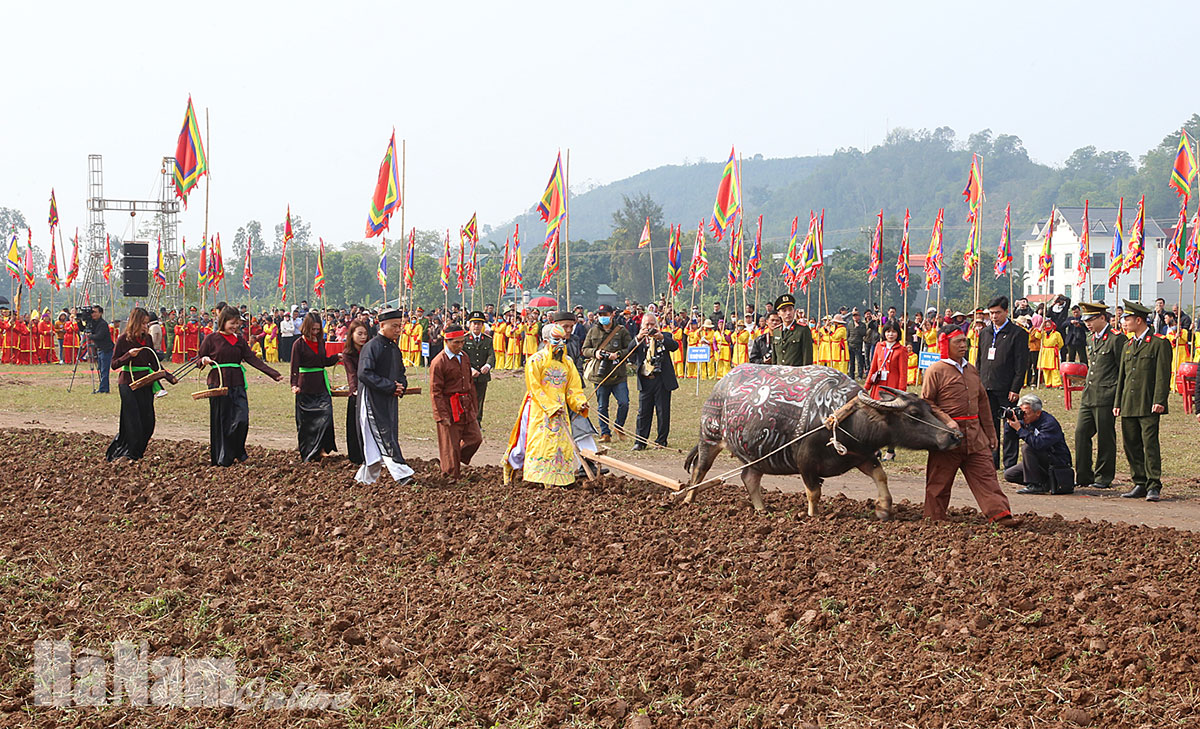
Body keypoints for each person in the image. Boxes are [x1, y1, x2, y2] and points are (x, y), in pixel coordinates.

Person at [921, 325, 1021, 527]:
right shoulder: (935, 371)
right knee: (939, 481)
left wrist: (991, 433)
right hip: (948, 438)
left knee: (987, 476)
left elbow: (983, 402)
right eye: (958, 341)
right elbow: (927, 403)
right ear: (945, 344)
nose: (963, 345)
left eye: (964, 341)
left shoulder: (971, 369)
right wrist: (948, 421)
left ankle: (1001, 515)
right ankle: (934, 520)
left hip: (975, 436)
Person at [502, 323, 590, 487]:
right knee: (529, 443)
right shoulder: (535, 360)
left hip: (561, 409)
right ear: (545, 341)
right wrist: (550, 407)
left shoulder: (568, 362)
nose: (561, 344)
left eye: (563, 340)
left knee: (559, 444)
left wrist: (579, 403)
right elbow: (534, 387)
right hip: (538, 409)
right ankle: (511, 465)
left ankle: (554, 478)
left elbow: (573, 388)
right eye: (556, 340)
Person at [197, 306, 283, 466]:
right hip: (218, 384)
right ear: (223, 321)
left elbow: (252, 359)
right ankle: (223, 457)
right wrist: (203, 360)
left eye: (237, 323)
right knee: (222, 420)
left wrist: (273, 373)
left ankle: (238, 450)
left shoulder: (240, 340)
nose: (235, 326)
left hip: (237, 383)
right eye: (232, 323)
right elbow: (199, 359)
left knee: (241, 419)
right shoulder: (211, 339)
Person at [1114, 299, 1172, 502]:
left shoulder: (1159, 343)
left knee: (1150, 445)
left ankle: (1153, 484)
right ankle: (1139, 481)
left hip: (1148, 403)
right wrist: (1118, 403)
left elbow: (1163, 375)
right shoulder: (1128, 344)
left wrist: (1160, 400)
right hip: (1129, 402)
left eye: (1127, 319)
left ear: (1138, 320)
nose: (1124, 322)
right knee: (1131, 444)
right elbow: (1122, 377)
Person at [106, 307, 178, 461]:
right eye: (143, 324)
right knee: (133, 421)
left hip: (146, 382)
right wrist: (128, 355)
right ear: (135, 322)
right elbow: (114, 364)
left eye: (147, 324)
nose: (146, 327)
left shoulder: (148, 339)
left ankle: (138, 452)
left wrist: (169, 377)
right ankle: (129, 453)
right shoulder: (123, 339)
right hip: (128, 383)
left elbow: (154, 362)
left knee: (148, 422)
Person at [355, 309, 415, 485]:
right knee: (381, 435)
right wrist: (389, 386)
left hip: (389, 398)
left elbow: (400, 371)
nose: (398, 330)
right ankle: (402, 474)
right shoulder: (372, 346)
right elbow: (364, 373)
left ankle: (365, 478)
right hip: (372, 399)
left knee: (384, 435)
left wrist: (401, 386)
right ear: (382, 325)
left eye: (400, 326)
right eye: (394, 326)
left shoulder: (394, 347)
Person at [1074, 302, 1125, 490]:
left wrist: (1118, 398)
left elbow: (1122, 370)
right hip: (1089, 394)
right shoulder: (1091, 338)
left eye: (1091, 319)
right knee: (1081, 433)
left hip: (1106, 394)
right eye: (1085, 320)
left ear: (1103, 318)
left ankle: (1103, 476)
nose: (1087, 324)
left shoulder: (1116, 339)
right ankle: (1083, 475)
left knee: (1105, 437)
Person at [976, 296, 1028, 470]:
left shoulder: (1018, 334)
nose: (994, 316)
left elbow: (1021, 364)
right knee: (989, 425)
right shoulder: (985, 333)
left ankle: (1010, 463)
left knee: (1010, 426)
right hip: (986, 386)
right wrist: (978, 382)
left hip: (1007, 388)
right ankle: (991, 461)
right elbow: (979, 360)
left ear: (1006, 312)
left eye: (997, 313)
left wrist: (1015, 388)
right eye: (991, 313)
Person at [430, 324, 483, 478]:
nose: (460, 346)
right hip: (449, 407)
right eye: (456, 343)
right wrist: (441, 415)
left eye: (462, 342)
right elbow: (435, 392)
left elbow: (470, 383)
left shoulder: (464, 357)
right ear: (446, 341)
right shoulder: (439, 362)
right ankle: (450, 477)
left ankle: (452, 460)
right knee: (450, 444)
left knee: (475, 438)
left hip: (466, 405)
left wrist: (474, 406)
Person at [290, 312, 340, 462]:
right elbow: (294, 367)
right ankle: (311, 450)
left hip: (320, 384)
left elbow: (322, 361)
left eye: (318, 329)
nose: (315, 332)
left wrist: (336, 357)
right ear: (306, 328)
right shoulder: (298, 344)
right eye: (313, 329)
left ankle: (322, 448)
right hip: (305, 386)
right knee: (307, 422)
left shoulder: (320, 342)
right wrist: (294, 385)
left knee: (326, 415)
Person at [582, 304, 634, 442]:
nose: (602, 317)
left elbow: (630, 348)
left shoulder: (621, 331)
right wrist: (595, 353)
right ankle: (605, 433)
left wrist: (618, 354)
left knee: (624, 403)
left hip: (618, 374)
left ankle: (618, 426)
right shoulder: (593, 331)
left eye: (605, 314)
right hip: (600, 375)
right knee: (602, 406)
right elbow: (585, 349)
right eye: (600, 315)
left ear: (612, 315)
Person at [1002, 394, 1073, 494]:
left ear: (1038, 413)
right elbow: (1010, 437)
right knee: (1010, 474)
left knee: (1027, 448)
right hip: (1040, 461)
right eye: (1021, 412)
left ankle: (1035, 485)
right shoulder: (1025, 420)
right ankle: (1045, 483)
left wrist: (1019, 429)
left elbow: (1038, 444)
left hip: (1056, 461)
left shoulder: (1049, 423)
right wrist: (1010, 422)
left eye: (1026, 413)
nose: (1023, 416)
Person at [630, 311, 678, 450]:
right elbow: (629, 350)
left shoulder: (664, 336)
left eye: (652, 324)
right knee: (643, 412)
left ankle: (661, 441)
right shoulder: (639, 339)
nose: (649, 327)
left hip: (661, 380)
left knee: (663, 411)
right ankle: (640, 441)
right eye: (647, 324)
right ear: (642, 326)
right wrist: (639, 337)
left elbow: (674, 346)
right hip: (645, 379)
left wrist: (661, 337)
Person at [864, 321, 909, 461]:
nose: (890, 334)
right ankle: (875, 449)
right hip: (878, 387)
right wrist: (866, 386)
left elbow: (903, 374)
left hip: (892, 388)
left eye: (893, 331)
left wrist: (900, 392)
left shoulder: (901, 350)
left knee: (891, 421)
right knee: (875, 418)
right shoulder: (879, 346)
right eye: (888, 331)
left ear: (898, 333)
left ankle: (890, 451)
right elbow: (873, 367)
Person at [341, 320, 369, 465]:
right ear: (351, 335)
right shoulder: (348, 354)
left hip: (371, 391)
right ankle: (356, 457)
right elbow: (352, 374)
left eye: (365, 334)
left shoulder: (370, 350)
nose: (363, 337)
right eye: (359, 334)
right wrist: (355, 390)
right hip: (357, 392)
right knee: (355, 426)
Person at [462, 311, 495, 425]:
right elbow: (462, 357)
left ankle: (477, 423)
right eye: (474, 323)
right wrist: (470, 369)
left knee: (480, 400)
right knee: (468, 399)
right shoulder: (464, 339)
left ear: (482, 326)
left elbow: (491, 355)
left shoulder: (487, 340)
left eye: (479, 324)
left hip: (482, 376)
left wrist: (487, 365)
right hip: (468, 375)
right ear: (469, 325)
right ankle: (468, 422)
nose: (476, 326)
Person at [771, 294, 813, 367]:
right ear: (779, 314)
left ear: (794, 311)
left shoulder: (803, 330)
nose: (788, 313)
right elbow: (775, 358)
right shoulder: (776, 331)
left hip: (796, 372)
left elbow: (807, 357)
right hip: (780, 371)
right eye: (784, 311)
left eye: (790, 309)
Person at [89, 306, 114, 393]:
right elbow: (83, 329)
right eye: (92, 312)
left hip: (106, 349)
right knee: (100, 369)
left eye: (95, 312)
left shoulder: (103, 324)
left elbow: (99, 336)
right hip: (99, 349)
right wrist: (79, 322)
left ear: (100, 313)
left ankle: (104, 389)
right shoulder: (94, 323)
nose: (93, 314)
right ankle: (102, 387)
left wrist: (90, 336)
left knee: (104, 370)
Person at [847, 310, 866, 379]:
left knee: (859, 361)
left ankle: (860, 375)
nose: (855, 317)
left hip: (858, 344)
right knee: (851, 361)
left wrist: (858, 327)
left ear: (859, 317)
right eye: (854, 316)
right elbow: (848, 334)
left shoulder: (862, 325)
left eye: (856, 316)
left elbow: (863, 333)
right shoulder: (850, 324)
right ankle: (851, 375)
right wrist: (848, 342)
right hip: (851, 344)